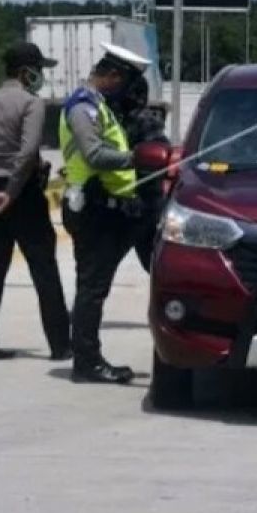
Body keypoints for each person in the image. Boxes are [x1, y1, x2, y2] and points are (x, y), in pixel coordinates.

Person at [0, 41, 71, 362]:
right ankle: (60, 343)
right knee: (44, 268)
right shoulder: (30, 104)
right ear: (26, 72)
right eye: (38, 70)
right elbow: (27, 153)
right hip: (21, 194)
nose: (40, 76)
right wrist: (10, 192)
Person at [60, 43, 150, 384]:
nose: (126, 90)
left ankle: (87, 358)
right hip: (92, 208)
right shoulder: (83, 107)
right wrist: (135, 158)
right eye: (124, 81)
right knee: (92, 288)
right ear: (111, 76)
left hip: (110, 206)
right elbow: (95, 155)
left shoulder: (98, 105)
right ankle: (86, 361)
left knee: (93, 286)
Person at [114, 74, 170, 272]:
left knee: (154, 264)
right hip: (122, 201)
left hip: (144, 204)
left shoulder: (146, 121)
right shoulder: (116, 118)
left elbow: (160, 155)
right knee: (99, 271)